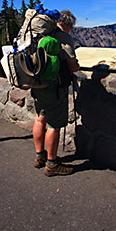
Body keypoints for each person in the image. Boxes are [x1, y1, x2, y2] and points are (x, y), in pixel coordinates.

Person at [31, 10, 80, 177]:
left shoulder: (38, 34)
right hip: (54, 87)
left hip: (36, 84)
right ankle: (52, 164)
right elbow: (72, 66)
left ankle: (40, 156)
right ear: (67, 25)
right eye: (71, 27)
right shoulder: (63, 37)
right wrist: (77, 66)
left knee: (40, 118)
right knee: (54, 125)